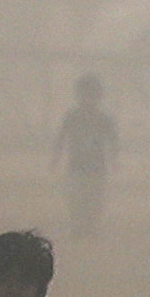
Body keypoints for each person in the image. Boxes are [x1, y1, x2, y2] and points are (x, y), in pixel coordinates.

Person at [52, 73, 120, 238]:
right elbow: (61, 138)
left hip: (96, 167)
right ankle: (78, 226)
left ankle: (91, 227)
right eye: (85, 94)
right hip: (76, 165)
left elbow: (113, 142)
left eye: (92, 95)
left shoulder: (104, 119)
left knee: (95, 197)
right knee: (76, 197)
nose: (88, 99)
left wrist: (115, 159)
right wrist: (56, 157)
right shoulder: (72, 117)